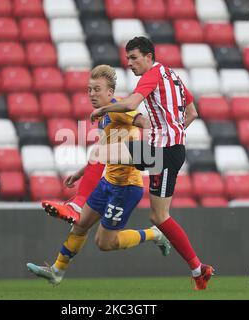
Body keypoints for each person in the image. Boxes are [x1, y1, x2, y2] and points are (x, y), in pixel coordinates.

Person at [27, 65, 171, 285]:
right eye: (89, 90)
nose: (92, 94)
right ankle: (57, 271)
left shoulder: (118, 109)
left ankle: (154, 234)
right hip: (107, 182)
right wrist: (81, 173)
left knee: (105, 243)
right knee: (80, 225)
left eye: (97, 89)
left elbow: (146, 122)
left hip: (125, 187)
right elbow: (102, 151)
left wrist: (151, 147)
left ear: (110, 92)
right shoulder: (106, 117)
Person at [89, 37, 214, 290]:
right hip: (163, 149)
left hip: (164, 152)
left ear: (148, 57)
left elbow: (133, 103)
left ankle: (199, 269)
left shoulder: (153, 75)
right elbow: (192, 112)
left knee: (158, 213)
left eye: (134, 58)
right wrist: (173, 133)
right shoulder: (173, 75)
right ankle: (198, 269)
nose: (130, 63)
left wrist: (102, 110)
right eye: (128, 59)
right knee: (156, 213)